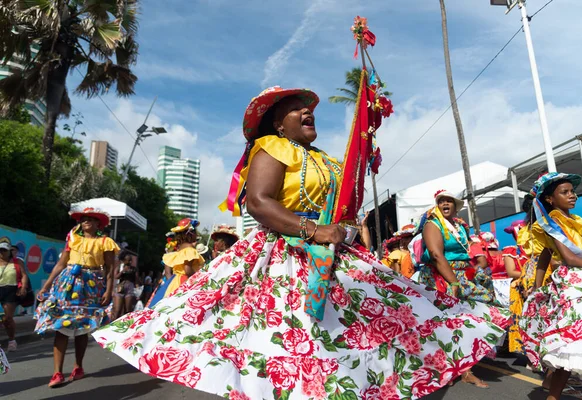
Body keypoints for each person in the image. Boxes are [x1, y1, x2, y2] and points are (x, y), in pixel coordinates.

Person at [93, 86, 508, 399]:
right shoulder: (272, 147)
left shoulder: (327, 159)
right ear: (277, 122)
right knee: (290, 347)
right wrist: (311, 230)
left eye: (307, 106)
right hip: (285, 258)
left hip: (335, 260)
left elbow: (345, 203)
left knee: (353, 342)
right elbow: (258, 201)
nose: (306, 110)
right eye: (294, 108)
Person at [519, 172, 582, 400]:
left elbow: (545, 255)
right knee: (580, 340)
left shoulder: (575, 221)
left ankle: (553, 396)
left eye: (572, 191)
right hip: (575, 285)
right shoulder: (552, 222)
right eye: (564, 192)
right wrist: (536, 287)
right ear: (550, 199)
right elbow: (570, 259)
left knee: (575, 343)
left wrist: (536, 284)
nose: (572, 195)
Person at [419, 190, 510, 388]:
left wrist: (475, 269)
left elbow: (468, 251)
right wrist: (453, 283)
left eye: (449, 201)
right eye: (441, 201)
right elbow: (436, 254)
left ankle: (462, 369)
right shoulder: (432, 224)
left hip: (462, 274)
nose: (445, 203)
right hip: (441, 276)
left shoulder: (459, 226)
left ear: (455, 206)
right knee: (448, 324)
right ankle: (456, 370)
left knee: (470, 320)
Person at [34, 207, 118, 388]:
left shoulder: (105, 242)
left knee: (83, 327)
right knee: (60, 326)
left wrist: (108, 291)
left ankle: (78, 367)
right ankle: (57, 372)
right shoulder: (72, 238)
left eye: (91, 218)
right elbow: (61, 264)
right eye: (84, 218)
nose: (86, 221)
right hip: (67, 284)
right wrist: (46, 286)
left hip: (92, 286)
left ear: (98, 224)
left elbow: (111, 270)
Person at [161, 218, 204, 298]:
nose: (196, 235)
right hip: (185, 281)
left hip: (174, 282)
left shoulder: (179, 251)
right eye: (195, 232)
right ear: (191, 233)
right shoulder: (190, 250)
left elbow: (168, 272)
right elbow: (187, 270)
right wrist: (199, 276)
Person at [0, 238, 29, 352]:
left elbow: (24, 275)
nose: (2, 252)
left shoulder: (17, 262)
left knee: (8, 318)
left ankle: (12, 341)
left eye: (4, 250)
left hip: (10, 290)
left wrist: (23, 287)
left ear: (9, 251)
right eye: (0, 250)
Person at [112, 251, 138, 320]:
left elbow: (136, 280)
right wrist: (123, 271)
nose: (130, 262)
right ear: (123, 260)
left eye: (130, 260)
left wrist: (138, 291)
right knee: (117, 310)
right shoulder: (119, 267)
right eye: (128, 260)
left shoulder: (133, 269)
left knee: (128, 310)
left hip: (130, 289)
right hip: (120, 289)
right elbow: (116, 276)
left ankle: (125, 324)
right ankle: (113, 324)